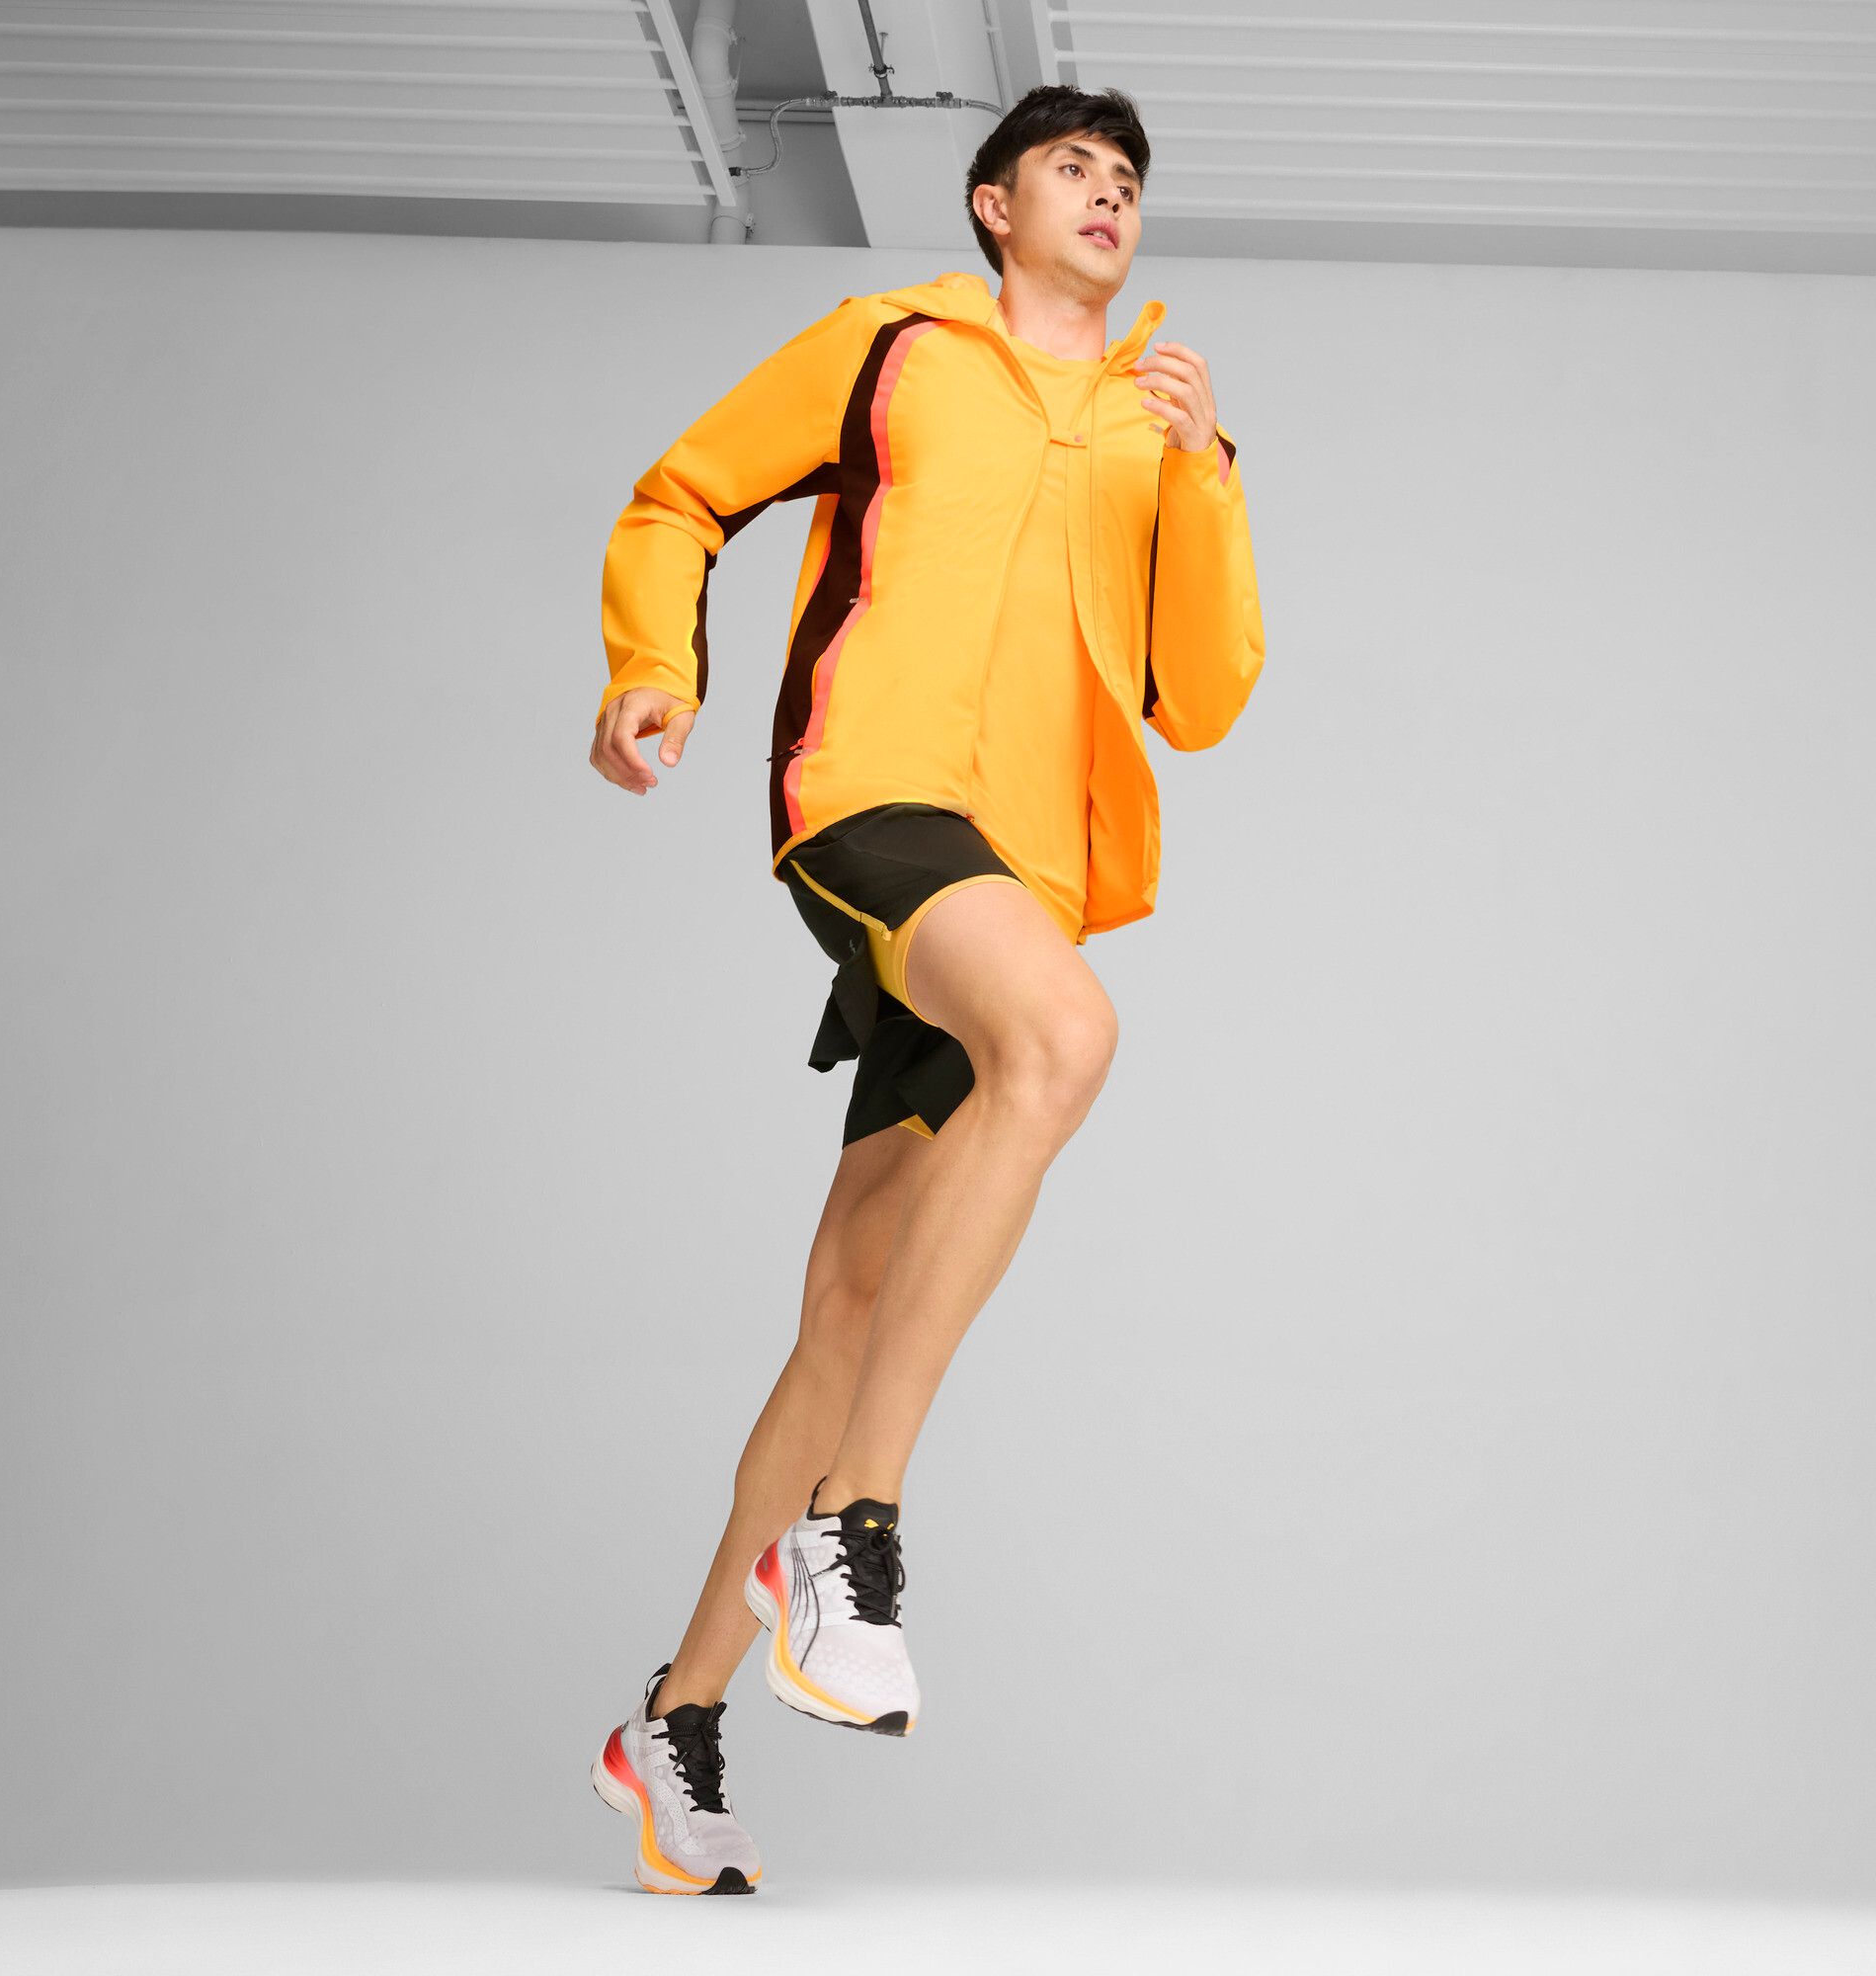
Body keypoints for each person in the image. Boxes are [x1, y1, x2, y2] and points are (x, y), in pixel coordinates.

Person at [585, 83, 1264, 1894]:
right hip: (872, 795)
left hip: (1023, 875)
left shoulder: (1159, 425)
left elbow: (1203, 696)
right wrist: (654, 668)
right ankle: (852, 1527)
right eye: (1070, 169)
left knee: (850, 1304)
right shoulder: (891, 345)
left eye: (1126, 178)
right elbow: (684, 494)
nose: (1106, 194)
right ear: (990, 204)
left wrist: (1207, 476)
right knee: (1067, 1036)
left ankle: (676, 1724)